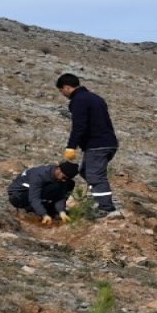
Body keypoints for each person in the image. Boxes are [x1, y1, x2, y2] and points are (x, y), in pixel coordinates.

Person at [56, 73, 120, 218]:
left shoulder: (78, 100)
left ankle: (107, 208)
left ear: (66, 87)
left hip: (97, 144)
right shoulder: (96, 98)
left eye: (61, 91)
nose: (63, 94)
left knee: (95, 175)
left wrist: (71, 146)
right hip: (108, 143)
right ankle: (100, 201)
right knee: (85, 171)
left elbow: (79, 125)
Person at [7, 161, 80, 225]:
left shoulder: (61, 179)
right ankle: (36, 210)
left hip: (34, 193)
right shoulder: (40, 175)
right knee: (54, 187)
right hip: (19, 194)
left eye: (67, 178)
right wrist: (43, 214)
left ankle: (52, 211)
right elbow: (34, 197)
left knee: (69, 184)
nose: (64, 180)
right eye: (64, 177)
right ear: (58, 169)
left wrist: (61, 211)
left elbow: (61, 196)